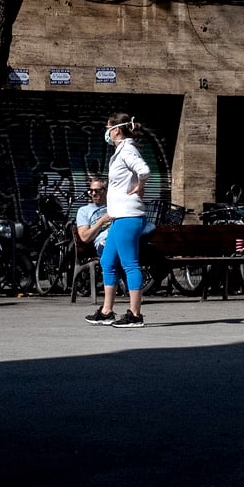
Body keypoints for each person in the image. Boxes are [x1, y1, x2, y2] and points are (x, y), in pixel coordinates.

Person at [91, 112, 149, 329]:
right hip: (118, 217)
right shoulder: (121, 151)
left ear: (116, 129)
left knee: (130, 264)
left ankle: (135, 315)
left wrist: (140, 186)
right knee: (107, 261)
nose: (106, 132)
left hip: (128, 216)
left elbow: (144, 169)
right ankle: (106, 311)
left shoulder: (128, 150)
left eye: (108, 127)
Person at [72, 172, 112, 317]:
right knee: (112, 258)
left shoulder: (114, 206)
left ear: (106, 191)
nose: (93, 193)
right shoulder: (84, 211)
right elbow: (84, 237)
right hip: (103, 244)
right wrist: (101, 221)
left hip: (118, 240)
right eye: (91, 191)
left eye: (97, 190)